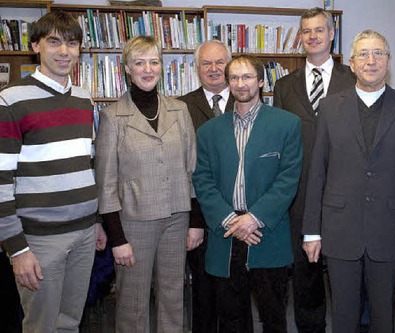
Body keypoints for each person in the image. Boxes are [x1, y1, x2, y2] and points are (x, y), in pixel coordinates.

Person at [302, 29, 395, 333]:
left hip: (389, 231)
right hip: (340, 229)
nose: (371, 61)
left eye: (378, 53)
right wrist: (311, 232)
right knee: (343, 317)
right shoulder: (330, 107)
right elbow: (317, 170)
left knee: (384, 317)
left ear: (388, 61)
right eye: (363, 54)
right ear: (352, 64)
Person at [0, 11, 107, 333]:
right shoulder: (11, 100)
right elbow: (1, 180)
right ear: (36, 46)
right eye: (54, 42)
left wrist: (98, 221)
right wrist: (17, 249)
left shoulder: (84, 99)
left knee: (70, 323)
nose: (64, 52)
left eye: (72, 44)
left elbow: (87, 165)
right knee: (41, 326)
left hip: (85, 233)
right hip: (40, 240)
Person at [192, 55, 302, 333]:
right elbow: (202, 180)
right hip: (225, 234)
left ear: (262, 81)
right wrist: (231, 220)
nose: (241, 83)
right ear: (228, 83)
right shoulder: (208, 131)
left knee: (273, 316)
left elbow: (288, 179)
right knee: (230, 318)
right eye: (235, 78)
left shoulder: (287, 124)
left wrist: (254, 218)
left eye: (248, 77)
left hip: (267, 231)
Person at [95, 35, 196, 332]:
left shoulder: (180, 110)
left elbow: (193, 169)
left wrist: (196, 221)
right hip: (133, 225)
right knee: (132, 304)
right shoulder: (112, 117)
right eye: (140, 63)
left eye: (154, 62)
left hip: (177, 219)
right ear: (127, 68)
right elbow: (105, 183)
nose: (148, 69)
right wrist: (117, 238)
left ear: (162, 67)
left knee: (173, 297)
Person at [272, 7, 355, 332]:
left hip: (345, 194)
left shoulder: (354, 78)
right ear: (301, 37)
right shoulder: (283, 85)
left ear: (332, 34)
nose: (313, 36)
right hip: (300, 195)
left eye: (319, 30)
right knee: (305, 276)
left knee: (346, 275)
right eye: (307, 31)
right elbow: (278, 142)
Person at [178, 39, 235, 333]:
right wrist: (193, 220)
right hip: (198, 214)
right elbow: (183, 169)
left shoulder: (247, 100)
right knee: (203, 290)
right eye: (206, 63)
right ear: (197, 68)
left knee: (235, 292)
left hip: (240, 215)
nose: (214, 69)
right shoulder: (180, 107)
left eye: (219, 62)